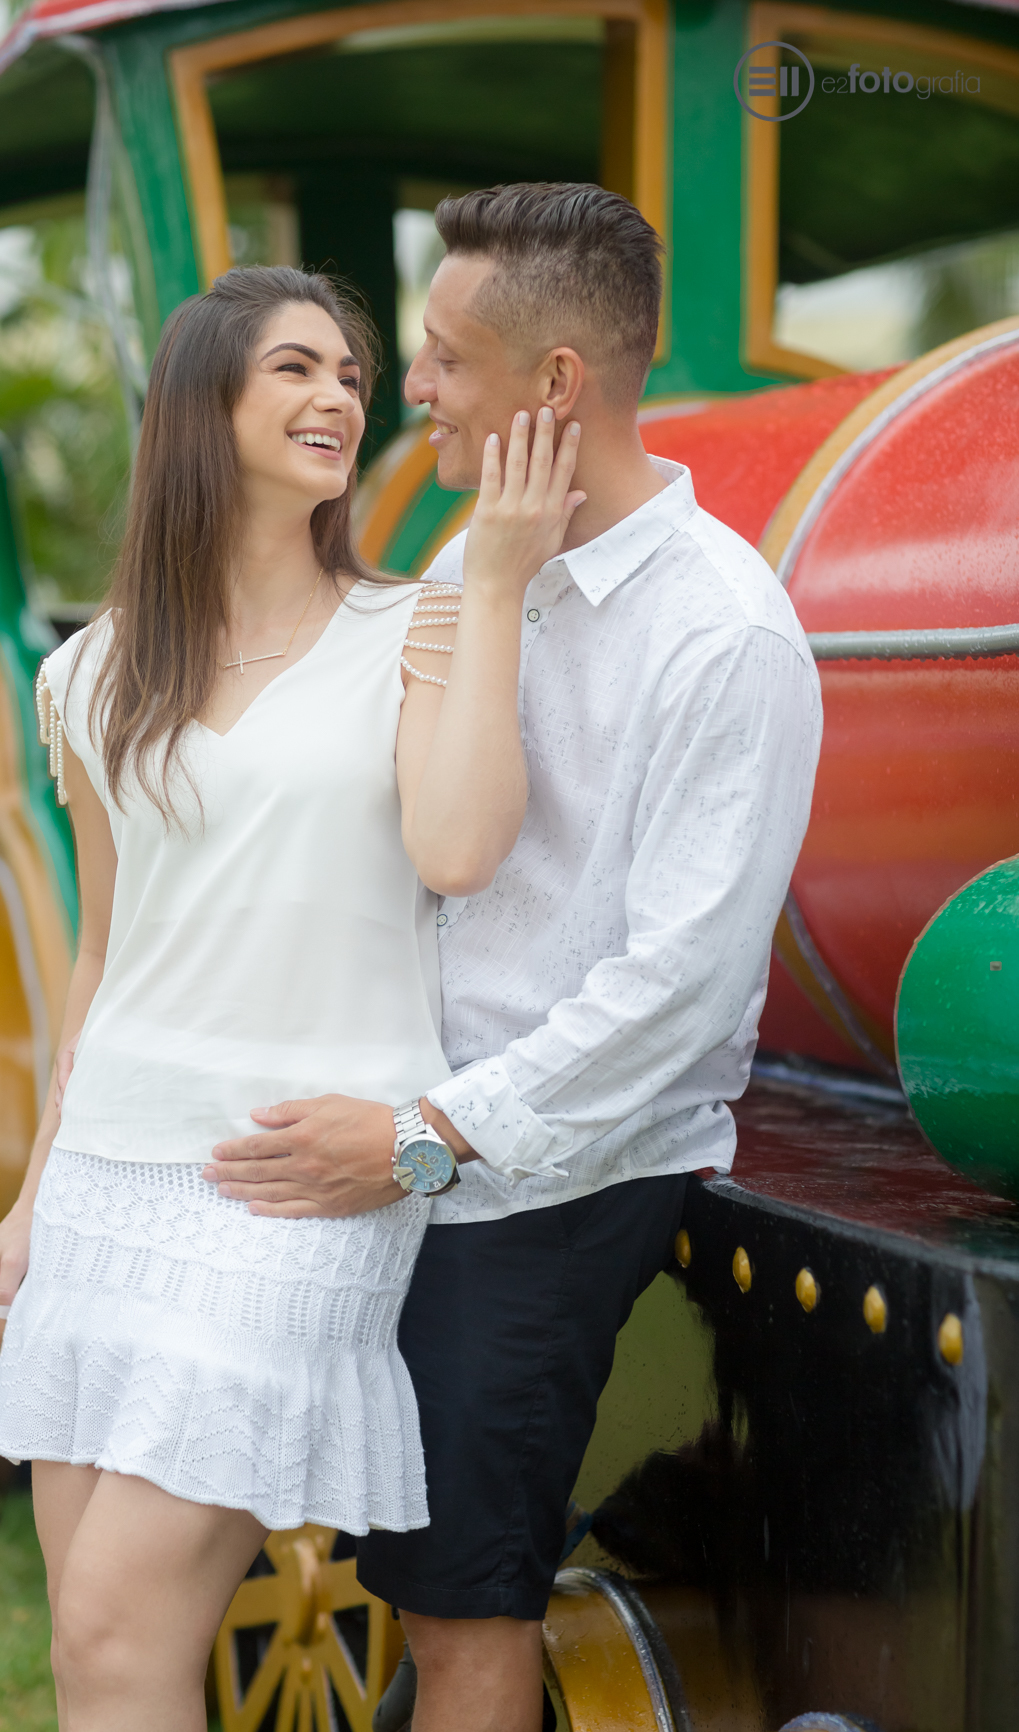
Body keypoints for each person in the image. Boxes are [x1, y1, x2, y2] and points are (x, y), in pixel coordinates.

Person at [205, 185, 824, 1732]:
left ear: (555, 387)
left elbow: (674, 993)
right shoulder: (482, 571)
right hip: (403, 1144)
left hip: (545, 1184)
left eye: (441, 358)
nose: (402, 387)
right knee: (387, 1576)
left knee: (472, 1611)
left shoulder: (722, 636)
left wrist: (421, 1141)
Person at [0, 262, 586, 1732]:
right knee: (97, 1645)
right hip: (110, 1179)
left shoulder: (413, 628)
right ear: (201, 404)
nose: (341, 397)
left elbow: (461, 846)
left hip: (295, 1183)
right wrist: (34, 1197)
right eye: (296, 369)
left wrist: (489, 577)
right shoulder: (91, 674)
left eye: (354, 376)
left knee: (118, 1629)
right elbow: (107, 951)